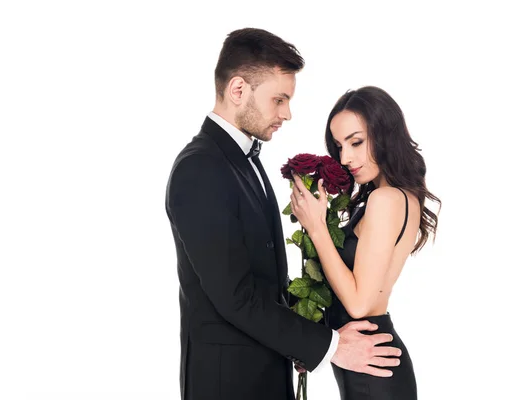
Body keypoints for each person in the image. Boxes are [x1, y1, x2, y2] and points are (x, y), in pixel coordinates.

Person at [165, 29, 402, 400]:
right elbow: (236, 297)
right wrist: (329, 345)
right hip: (229, 386)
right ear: (238, 90)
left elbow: (263, 285)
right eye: (279, 100)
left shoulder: (246, 161)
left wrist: (307, 331)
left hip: (265, 375)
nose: (287, 114)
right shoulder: (200, 168)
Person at [290, 85, 441, 399]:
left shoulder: (387, 200)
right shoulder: (388, 197)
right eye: (339, 145)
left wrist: (317, 228)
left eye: (356, 142)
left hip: (375, 372)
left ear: (385, 134)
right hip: (368, 365)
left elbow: (359, 304)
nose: (345, 158)